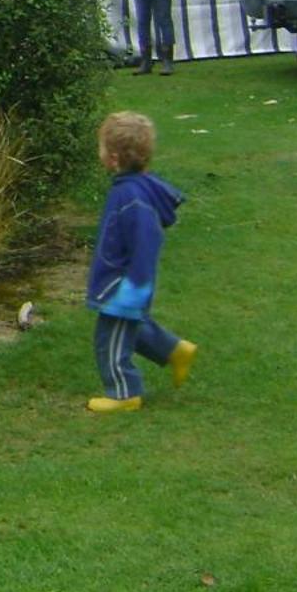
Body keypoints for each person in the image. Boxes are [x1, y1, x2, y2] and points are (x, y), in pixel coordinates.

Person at [85, 111, 197, 413]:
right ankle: (175, 351)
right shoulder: (128, 187)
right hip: (120, 280)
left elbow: (147, 242)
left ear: (114, 158)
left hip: (124, 284)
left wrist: (135, 286)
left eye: (102, 149)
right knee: (132, 328)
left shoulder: (133, 197)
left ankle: (124, 393)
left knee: (109, 340)